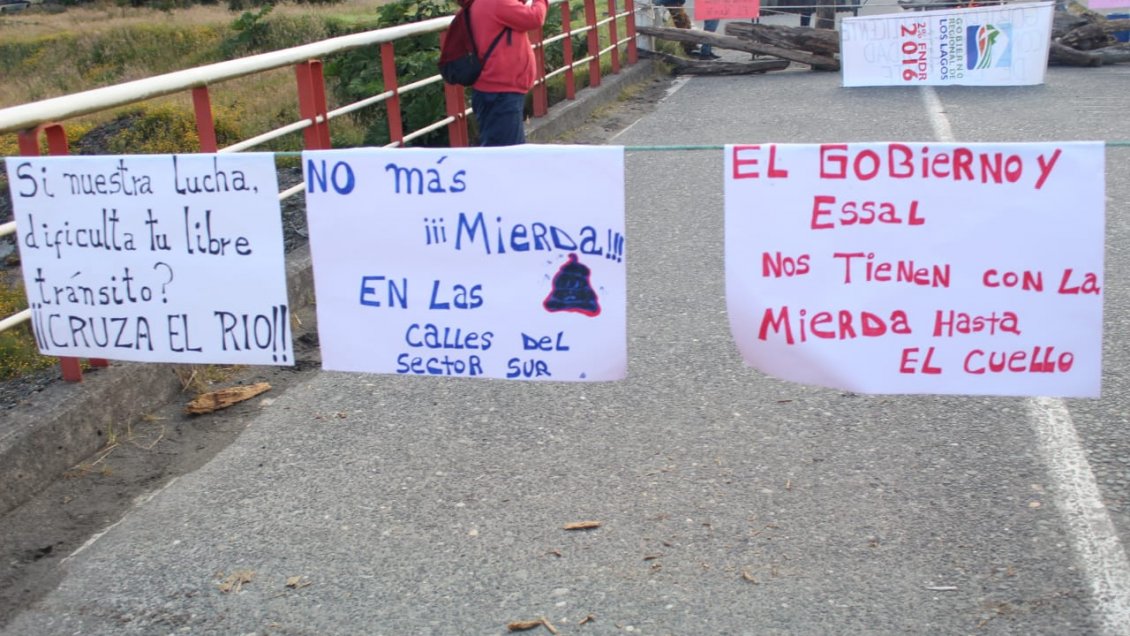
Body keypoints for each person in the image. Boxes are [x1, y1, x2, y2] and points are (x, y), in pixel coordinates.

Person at [470, 0, 549, 146]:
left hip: (495, 90)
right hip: (501, 93)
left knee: (499, 148)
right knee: (508, 151)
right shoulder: (498, 2)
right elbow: (535, 18)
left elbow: (515, 7)